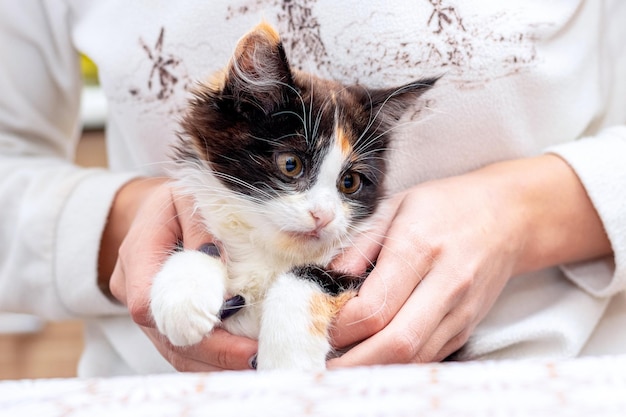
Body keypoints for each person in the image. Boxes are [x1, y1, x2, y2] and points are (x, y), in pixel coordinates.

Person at [1, 0, 625, 377]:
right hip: (172, 391)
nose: (325, 211)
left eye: (349, 183)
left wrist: (520, 216)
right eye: (296, 168)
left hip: (535, 383)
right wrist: (133, 225)